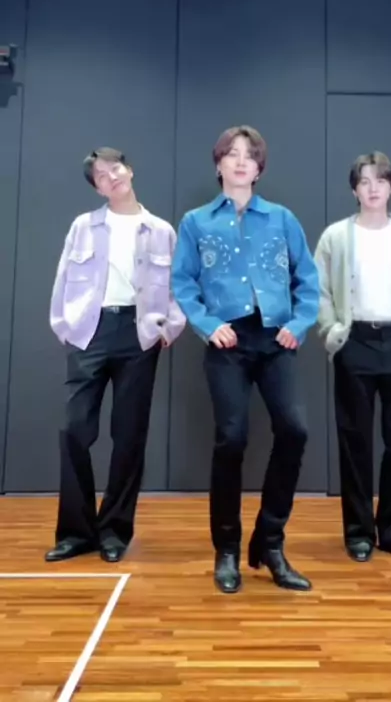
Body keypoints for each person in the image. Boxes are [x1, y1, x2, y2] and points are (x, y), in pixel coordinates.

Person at [171, 125, 319, 594]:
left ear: (259, 168)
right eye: (231, 154)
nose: (240, 161)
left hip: (275, 338)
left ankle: (270, 543)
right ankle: (227, 549)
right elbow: (183, 282)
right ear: (219, 164)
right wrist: (206, 323)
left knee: (294, 430)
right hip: (227, 342)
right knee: (231, 438)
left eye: (249, 155)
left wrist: (299, 324)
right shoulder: (196, 222)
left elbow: (308, 278)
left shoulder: (281, 219)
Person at [46, 147, 185, 563]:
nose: (112, 177)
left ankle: (114, 531)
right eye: (102, 176)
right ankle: (76, 532)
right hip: (89, 331)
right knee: (74, 429)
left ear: (130, 169)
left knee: (129, 435)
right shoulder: (83, 226)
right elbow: (64, 278)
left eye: (115, 168)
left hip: (138, 335)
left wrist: (169, 328)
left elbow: (178, 284)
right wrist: (65, 326)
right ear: (97, 188)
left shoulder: (160, 230)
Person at [314, 151, 391, 563]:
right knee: (355, 441)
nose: (373, 188)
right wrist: (333, 333)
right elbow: (319, 290)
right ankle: (358, 532)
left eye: (380, 181)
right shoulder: (335, 237)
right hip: (355, 343)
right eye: (365, 181)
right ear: (355, 189)